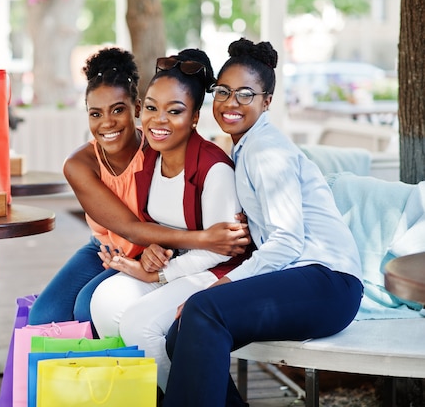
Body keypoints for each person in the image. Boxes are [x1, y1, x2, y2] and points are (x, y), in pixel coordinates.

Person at [161, 38, 364, 407]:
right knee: (180, 334)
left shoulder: (266, 151)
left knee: (204, 310)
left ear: (266, 101)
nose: (230, 103)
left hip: (328, 282)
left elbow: (287, 242)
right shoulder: (247, 147)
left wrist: (220, 285)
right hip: (304, 277)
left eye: (245, 94)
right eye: (223, 92)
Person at [28, 47, 250, 329]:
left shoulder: (158, 145)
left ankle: (117, 370)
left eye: (118, 110)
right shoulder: (80, 164)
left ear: (135, 108)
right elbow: (129, 228)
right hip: (107, 248)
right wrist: (206, 238)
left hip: (152, 249)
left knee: (88, 306)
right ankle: (68, 370)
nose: (107, 123)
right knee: (42, 316)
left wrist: (235, 222)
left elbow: (194, 184)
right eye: (95, 114)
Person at [89, 48, 251, 391]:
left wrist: (160, 272)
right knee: (105, 301)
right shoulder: (150, 158)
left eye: (174, 111)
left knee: (139, 324)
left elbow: (223, 249)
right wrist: (152, 250)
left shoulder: (213, 168)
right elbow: (156, 227)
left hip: (214, 274)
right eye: (150, 108)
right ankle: (153, 396)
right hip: (171, 268)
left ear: (194, 117)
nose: (158, 120)